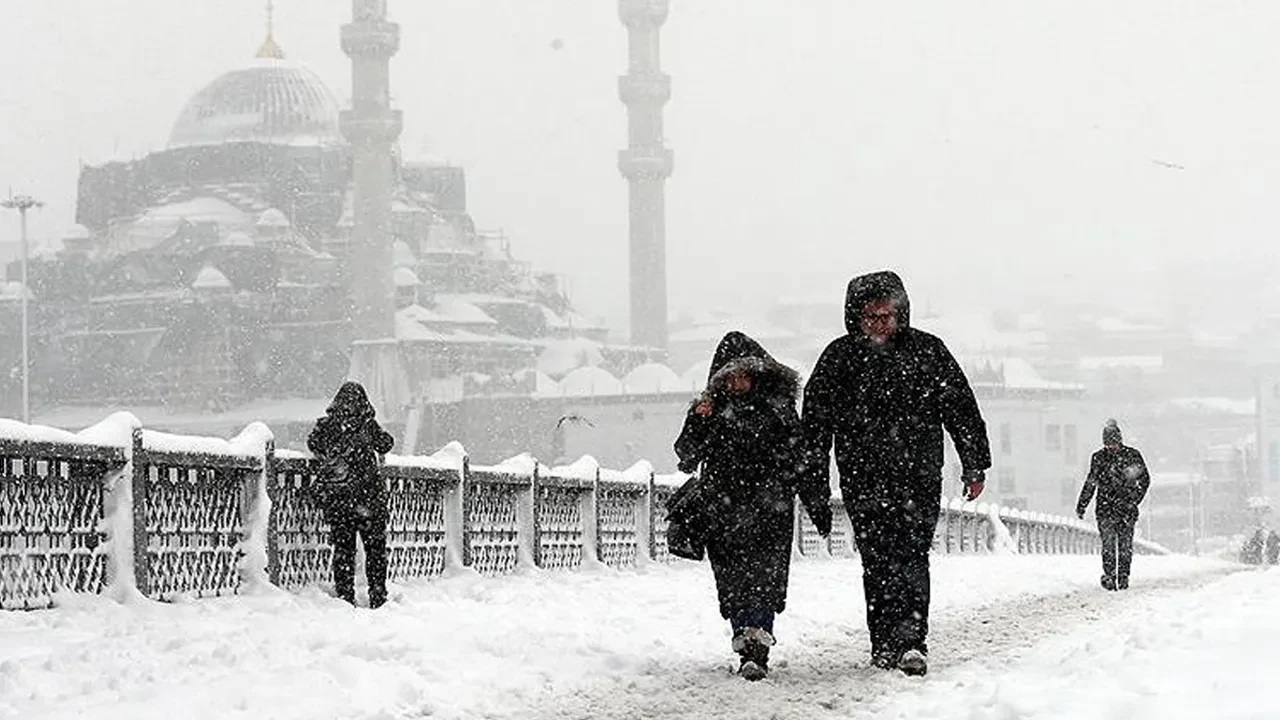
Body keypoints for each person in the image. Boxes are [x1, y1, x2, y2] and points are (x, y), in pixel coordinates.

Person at [800, 270, 991, 677]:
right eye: (871, 317)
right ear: (856, 317)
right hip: (862, 478)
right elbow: (814, 427)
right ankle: (884, 641)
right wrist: (813, 482)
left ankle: (910, 640)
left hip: (917, 476)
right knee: (877, 559)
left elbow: (960, 408)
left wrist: (974, 462)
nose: (879, 325)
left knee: (911, 555)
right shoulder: (839, 360)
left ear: (900, 314)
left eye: (886, 316)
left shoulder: (927, 352)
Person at [672, 331, 833, 681]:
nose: (738, 382)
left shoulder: (778, 409)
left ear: (759, 373)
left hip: (769, 511)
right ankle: (744, 636)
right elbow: (686, 457)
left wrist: (817, 503)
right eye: (731, 376)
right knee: (732, 581)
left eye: (744, 374)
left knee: (764, 579)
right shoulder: (710, 410)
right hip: (723, 510)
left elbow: (801, 459)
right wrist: (698, 420)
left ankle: (756, 645)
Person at [308, 381, 396, 608]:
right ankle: (378, 595)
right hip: (369, 500)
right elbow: (386, 444)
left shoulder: (328, 425)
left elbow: (313, 443)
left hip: (340, 500)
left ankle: (345, 597)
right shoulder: (367, 425)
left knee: (344, 551)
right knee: (375, 551)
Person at [1076, 419, 1150, 591]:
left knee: (1125, 545)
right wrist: (1082, 504)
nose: (1111, 447)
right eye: (1108, 444)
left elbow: (1145, 479)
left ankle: (1123, 576)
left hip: (1126, 509)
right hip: (1105, 509)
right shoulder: (1098, 458)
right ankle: (1109, 575)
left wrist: (1134, 500)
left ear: (1120, 440)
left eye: (1114, 443)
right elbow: (1091, 482)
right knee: (1108, 545)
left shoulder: (1133, 456)